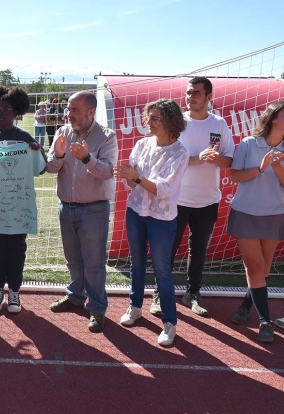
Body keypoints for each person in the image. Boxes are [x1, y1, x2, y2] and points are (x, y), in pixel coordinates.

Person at [155, 77, 234, 317]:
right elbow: (164, 159)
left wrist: (216, 159)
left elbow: (229, 159)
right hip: (176, 199)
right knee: (167, 249)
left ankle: (192, 293)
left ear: (209, 97)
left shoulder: (219, 124)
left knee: (198, 250)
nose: (191, 97)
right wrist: (197, 159)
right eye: (189, 92)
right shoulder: (175, 122)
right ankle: (161, 294)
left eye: (196, 93)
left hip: (207, 200)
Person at [113, 99, 189, 346]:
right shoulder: (142, 143)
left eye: (155, 118)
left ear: (170, 121)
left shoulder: (181, 152)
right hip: (136, 211)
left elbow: (164, 190)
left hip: (162, 218)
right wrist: (126, 175)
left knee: (162, 270)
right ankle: (135, 307)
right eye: (148, 117)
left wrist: (135, 178)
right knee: (136, 263)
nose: (148, 122)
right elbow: (131, 179)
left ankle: (170, 322)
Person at [46, 91, 118, 332]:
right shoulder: (62, 132)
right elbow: (51, 168)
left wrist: (87, 158)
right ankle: (75, 296)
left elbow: (107, 172)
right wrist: (57, 154)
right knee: (73, 260)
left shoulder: (106, 136)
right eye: (69, 109)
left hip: (94, 210)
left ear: (91, 112)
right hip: (66, 208)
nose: (69, 114)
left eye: (75, 110)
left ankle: (97, 308)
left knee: (94, 263)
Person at [0, 86, 46, 314]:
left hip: (19, 206)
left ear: (17, 112)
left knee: (17, 248)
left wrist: (36, 150)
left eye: (6, 109)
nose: (0, 113)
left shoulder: (24, 137)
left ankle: (14, 291)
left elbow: (40, 170)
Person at [227, 102, 284, 343]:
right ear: (274, 118)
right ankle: (265, 320)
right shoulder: (249, 144)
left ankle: (245, 307)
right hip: (246, 212)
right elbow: (235, 175)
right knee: (254, 267)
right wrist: (260, 169)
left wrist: (277, 166)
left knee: (263, 268)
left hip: (274, 214)